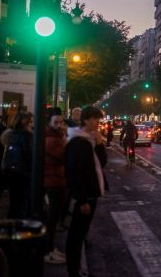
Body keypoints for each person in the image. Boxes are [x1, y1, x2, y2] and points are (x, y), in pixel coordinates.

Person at [65, 106, 107, 277]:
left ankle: (75, 268)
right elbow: (73, 173)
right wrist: (81, 200)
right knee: (76, 235)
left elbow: (102, 163)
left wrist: (99, 143)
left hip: (91, 192)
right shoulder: (77, 142)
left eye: (98, 118)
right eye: (94, 119)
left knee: (81, 233)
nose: (98, 122)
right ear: (85, 120)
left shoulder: (89, 139)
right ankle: (73, 271)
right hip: (85, 195)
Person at [44, 108, 68, 264]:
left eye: (61, 122)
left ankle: (50, 249)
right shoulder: (52, 139)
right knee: (51, 219)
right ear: (49, 123)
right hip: (53, 181)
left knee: (53, 218)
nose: (59, 125)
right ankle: (47, 252)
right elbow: (64, 156)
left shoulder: (55, 136)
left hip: (56, 179)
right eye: (56, 122)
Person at [1, 112, 33, 219]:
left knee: (14, 201)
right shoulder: (26, 136)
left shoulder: (11, 135)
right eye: (31, 121)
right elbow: (29, 155)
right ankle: (17, 226)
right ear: (26, 122)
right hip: (23, 173)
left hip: (11, 172)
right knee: (21, 201)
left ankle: (10, 223)